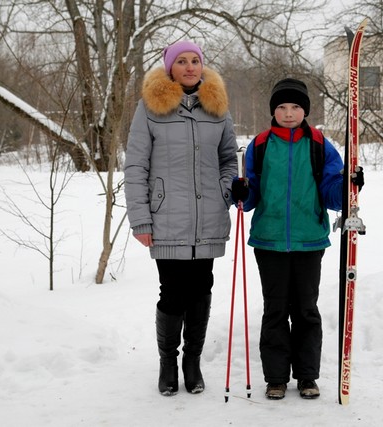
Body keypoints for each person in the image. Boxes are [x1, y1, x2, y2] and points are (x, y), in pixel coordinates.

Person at [231, 78, 363, 400]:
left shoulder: (319, 145)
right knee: (275, 310)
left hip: (309, 240)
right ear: (273, 111)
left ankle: (307, 376)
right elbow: (250, 198)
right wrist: (241, 192)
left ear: (305, 110)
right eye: (281, 107)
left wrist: (350, 185)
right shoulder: (260, 145)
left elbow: (332, 195)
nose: (288, 113)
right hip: (269, 240)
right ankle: (276, 378)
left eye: (295, 107)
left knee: (306, 310)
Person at [124, 40, 238, 396]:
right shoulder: (150, 107)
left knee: (201, 291)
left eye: (195, 61)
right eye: (182, 61)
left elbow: (229, 159)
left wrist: (225, 190)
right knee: (173, 294)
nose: (190, 67)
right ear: (170, 67)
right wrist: (140, 218)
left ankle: (192, 362)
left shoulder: (218, 107)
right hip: (167, 218)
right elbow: (136, 165)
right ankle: (168, 363)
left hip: (208, 217)